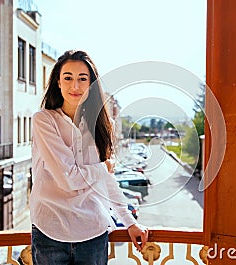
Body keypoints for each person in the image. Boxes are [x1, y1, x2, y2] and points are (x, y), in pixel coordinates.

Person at [30, 50, 148, 264]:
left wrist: (129, 222)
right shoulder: (44, 121)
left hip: (93, 232)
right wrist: (104, 167)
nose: (75, 86)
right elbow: (68, 179)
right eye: (68, 78)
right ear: (58, 82)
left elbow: (107, 181)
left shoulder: (102, 126)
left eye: (82, 79)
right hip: (50, 230)